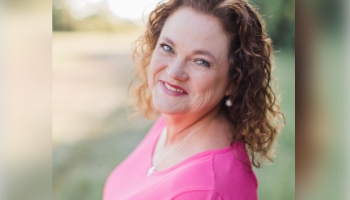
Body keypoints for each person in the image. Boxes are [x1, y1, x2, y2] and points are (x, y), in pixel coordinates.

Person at [103, 0, 284, 199]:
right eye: (167, 48)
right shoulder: (174, 119)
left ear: (234, 80)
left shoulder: (207, 189)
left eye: (201, 61)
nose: (174, 72)